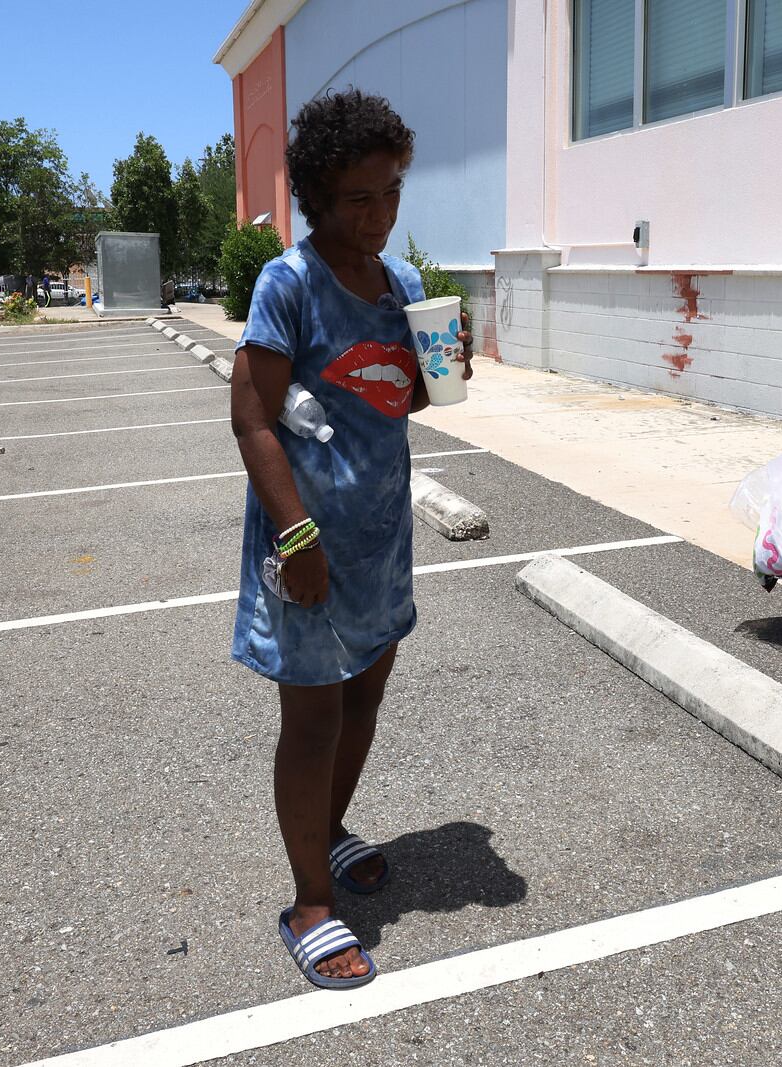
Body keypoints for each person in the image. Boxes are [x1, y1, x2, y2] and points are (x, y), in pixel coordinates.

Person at [228, 89, 472, 990]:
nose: (380, 214)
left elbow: (392, 401)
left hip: (380, 532)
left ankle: (328, 830)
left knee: (365, 696)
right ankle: (308, 902)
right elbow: (252, 416)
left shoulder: (401, 285)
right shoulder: (287, 283)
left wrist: (439, 372)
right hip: (306, 539)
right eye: (360, 199)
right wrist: (296, 536)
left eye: (392, 191)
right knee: (314, 714)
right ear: (319, 202)